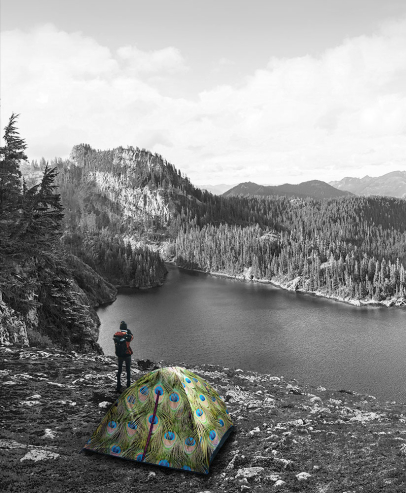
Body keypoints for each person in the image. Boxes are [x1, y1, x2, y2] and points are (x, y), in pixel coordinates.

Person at [113, 321, 133, 392]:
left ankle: (118, 385)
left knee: (119, 370)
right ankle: (128, 385)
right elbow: (131, 338)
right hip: (127, 355)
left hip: (120, 355)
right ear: (126, 327)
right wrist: (129, 332)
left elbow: (115, 341)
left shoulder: (116, 335)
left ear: (120, 328)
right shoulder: (128, 335)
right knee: (128, 370)